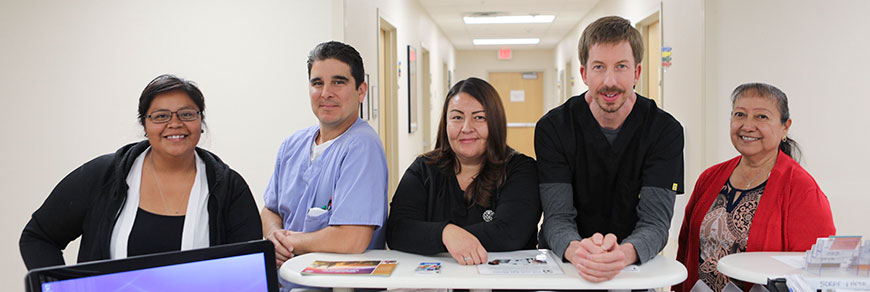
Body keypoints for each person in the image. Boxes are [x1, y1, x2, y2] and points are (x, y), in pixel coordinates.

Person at [19, 74, 262, 270]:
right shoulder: (104, 176)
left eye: (187, 114)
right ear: (144, 125)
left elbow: (250, 270)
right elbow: (38, 237)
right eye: (160, 116)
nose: (175, 124)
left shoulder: (229, 187)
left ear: (201, 122)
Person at [535, 15, 685, 282]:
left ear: (637, 72)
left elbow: (655, 222)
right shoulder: (554, 128)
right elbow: (557, 217)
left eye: (621, 67)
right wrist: (579, 251)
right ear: (584, 73)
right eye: (599, 67)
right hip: (567, 264)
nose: (610, 81)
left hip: (631, 265)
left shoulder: (664, 131)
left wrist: (622, 255)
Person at [675, 83, 835, 292]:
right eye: (740, 115)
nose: (747, 126)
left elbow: (815, 274)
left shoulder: (803, 191)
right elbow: (686, 247)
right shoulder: (709, 178)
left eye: (761, 117)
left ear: (785, 127)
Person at [260, 41, 387, 278]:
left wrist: (289, 242)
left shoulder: (362, 146)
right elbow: (270, 210)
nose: (326, 93)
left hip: (337, 285)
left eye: (338, 82)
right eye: (317, 83)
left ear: (361, 90)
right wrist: (274, 236)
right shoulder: (292, 145)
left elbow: (352, 239)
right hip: (286, 279)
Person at [386, 77, 540, 265]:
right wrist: (446, 233)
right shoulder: (424, 169)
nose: (466, 128)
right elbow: (397, 231)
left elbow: (509, 233)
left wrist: (433, 236)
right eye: (457, 117)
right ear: (446, 123)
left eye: (479, 117)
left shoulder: (520, 169)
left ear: (495, 123)